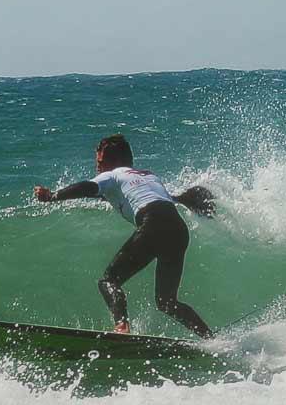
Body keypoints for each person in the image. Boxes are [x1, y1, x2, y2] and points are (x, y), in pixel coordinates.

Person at [33, 134, 214, 338]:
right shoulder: (149, 176)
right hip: (178, 230)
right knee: (166, 302)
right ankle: (210, 339)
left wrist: (52, 196)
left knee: (109, 281)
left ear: (115, 161)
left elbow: (88, 187)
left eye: (100, 163)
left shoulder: (113, 175)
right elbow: (166, 198)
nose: (98, 168)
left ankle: (121, 327)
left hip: (153, 224)